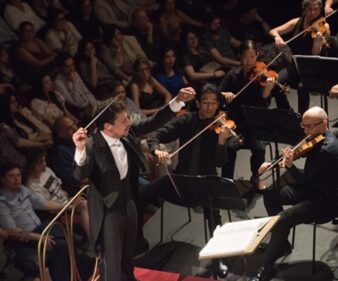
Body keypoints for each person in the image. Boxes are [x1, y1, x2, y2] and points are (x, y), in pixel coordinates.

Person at [72, 87, 195, 280]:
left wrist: (177, 101)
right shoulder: (92, 145)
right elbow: (80, 174)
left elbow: (153, 122)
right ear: (107, 127)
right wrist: (79, 150)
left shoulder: (126, 135)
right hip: (108, 211)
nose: (129, 122)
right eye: (124, 120)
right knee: (111, 261)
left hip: (129, 201)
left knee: (128, 253)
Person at [143, 83, 231, 277]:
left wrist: (222, 142)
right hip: (180, 181)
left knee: (214, 215)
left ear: (218, 106)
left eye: (213, 104)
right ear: (198, 103)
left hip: (205, 183)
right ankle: (139, 245)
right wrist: (156, 149)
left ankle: (218, 259)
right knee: (142, 194)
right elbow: (155, 135)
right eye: (205, 102)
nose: (208, 107)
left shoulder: (221, 127)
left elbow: (221, 161)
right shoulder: (186, 121)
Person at [250, 106, 338, 281]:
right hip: (312, 189)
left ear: (324, 123)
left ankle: (267, 266)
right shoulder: (317, 138)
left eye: (309, 126)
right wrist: (273, 163)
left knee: (283, 219)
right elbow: (302, 158)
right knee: (270, 194)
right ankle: (282, 243)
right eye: (303, 126)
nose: (305, 130)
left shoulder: (328, 150)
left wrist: (289, 166)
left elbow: (305, 180)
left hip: (325, 201)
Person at [0, 163, 71, 280]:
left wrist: (68, 206)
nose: (16, 179)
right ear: (3, 179)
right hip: (26, 239)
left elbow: (44, 204)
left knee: (68, 237)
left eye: (18, 175)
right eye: (11, 176)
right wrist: (41, 238)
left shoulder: (23, 189)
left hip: (41, 227)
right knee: (61, 244)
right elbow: (13, 232)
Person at [219, 40, 276, 190]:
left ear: (257, 55)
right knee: (230, 147)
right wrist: (225, 94)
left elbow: (264, 105)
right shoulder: (233, 75)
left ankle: (255, 177)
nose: (249, 61)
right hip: (236, 123)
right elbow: (217, 94)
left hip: (255, 122)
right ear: (240, 57)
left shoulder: (262, 76)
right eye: (245, 57)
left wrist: (267, 91)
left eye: (252, 57)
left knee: (260, 148)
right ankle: (227, 181)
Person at [268, 0, 329, 114]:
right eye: (309, 9)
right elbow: (273, 31)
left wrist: (317, 43)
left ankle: (303, 120)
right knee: (277, 83)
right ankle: (287, 112)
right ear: (304, 9)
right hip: (295, 65)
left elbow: (315, 55)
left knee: (303, 88)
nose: (312, 13)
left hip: (311, 69)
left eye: (316, 9)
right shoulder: (296, 22)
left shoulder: (324, 26)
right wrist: (277, 37)